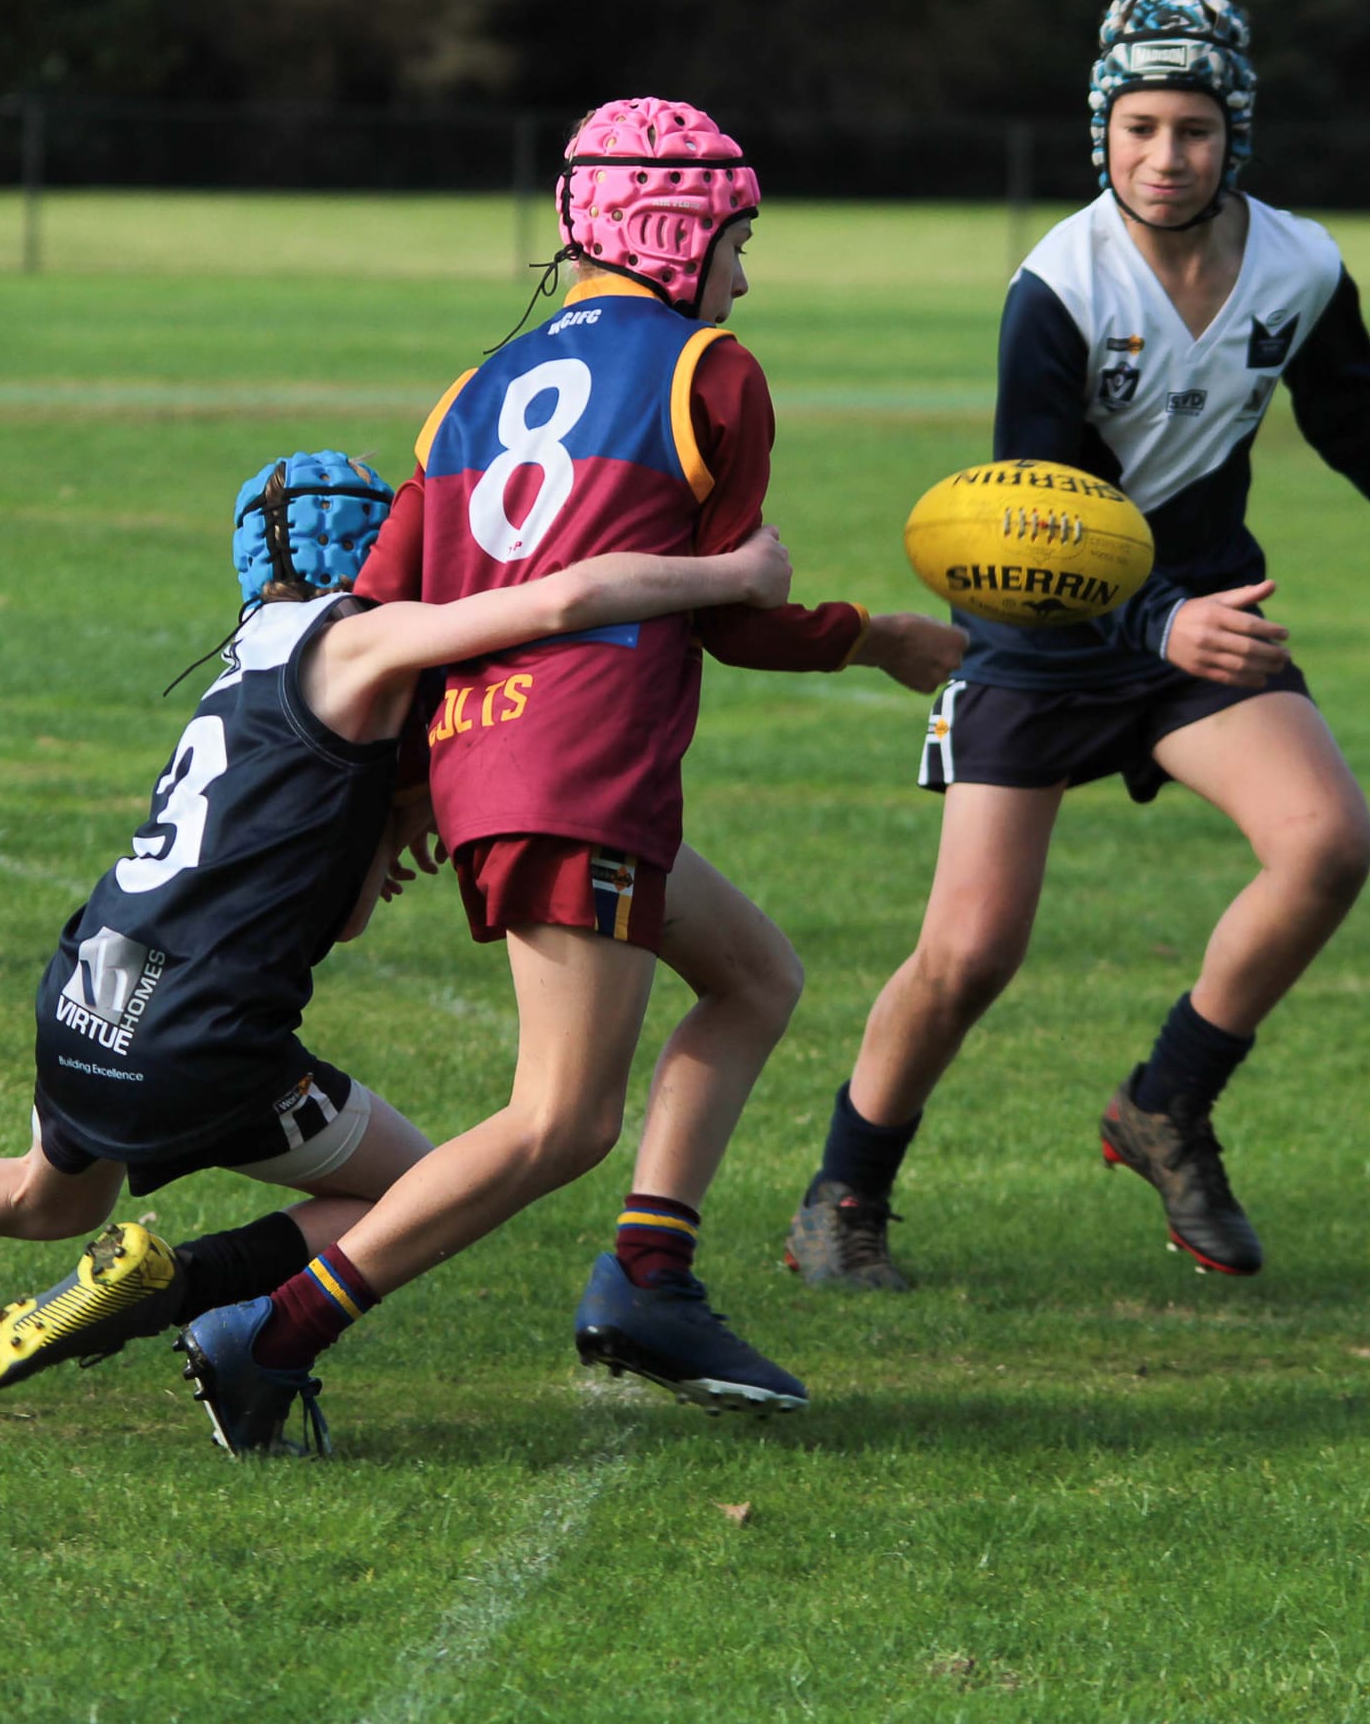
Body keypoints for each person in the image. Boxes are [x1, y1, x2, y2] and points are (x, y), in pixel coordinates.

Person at [0, 451, 797, 1409]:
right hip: (202, 1035)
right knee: (428, 1189)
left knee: (40, 1197)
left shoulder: (241, 661)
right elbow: (563, 598)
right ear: (368, 547)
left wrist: (375, 827)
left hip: (89, 994)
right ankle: (175, 1282)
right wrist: (729, 578)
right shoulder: (361, 642)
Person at [172, 99, 965, 1458]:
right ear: (671, 229)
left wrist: (411, 785)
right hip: (580, 756)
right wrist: (880, 639)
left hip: (495, 755)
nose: (745, 272)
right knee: (561, 1118)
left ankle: (651, 1278)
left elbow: (377, 605)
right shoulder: (711, 370)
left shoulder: (474, 387)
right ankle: (268, 1331)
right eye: (737, 238)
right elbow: (731, 616)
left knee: (756, 975)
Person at [785, 0, 1370, 1291]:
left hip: (1204, 615)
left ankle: (1166, 1103)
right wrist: (1153, 620)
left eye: (1194, 127)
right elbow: (1032, 511)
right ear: (1101, 132)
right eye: (1140, 126)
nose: (1166, 155)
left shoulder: (1298, 264)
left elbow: (1352, 411)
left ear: (1235, 134)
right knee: (969, 955)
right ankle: (843, 1196)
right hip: (1041, 631)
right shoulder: (1060, 287)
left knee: (1326, 844)